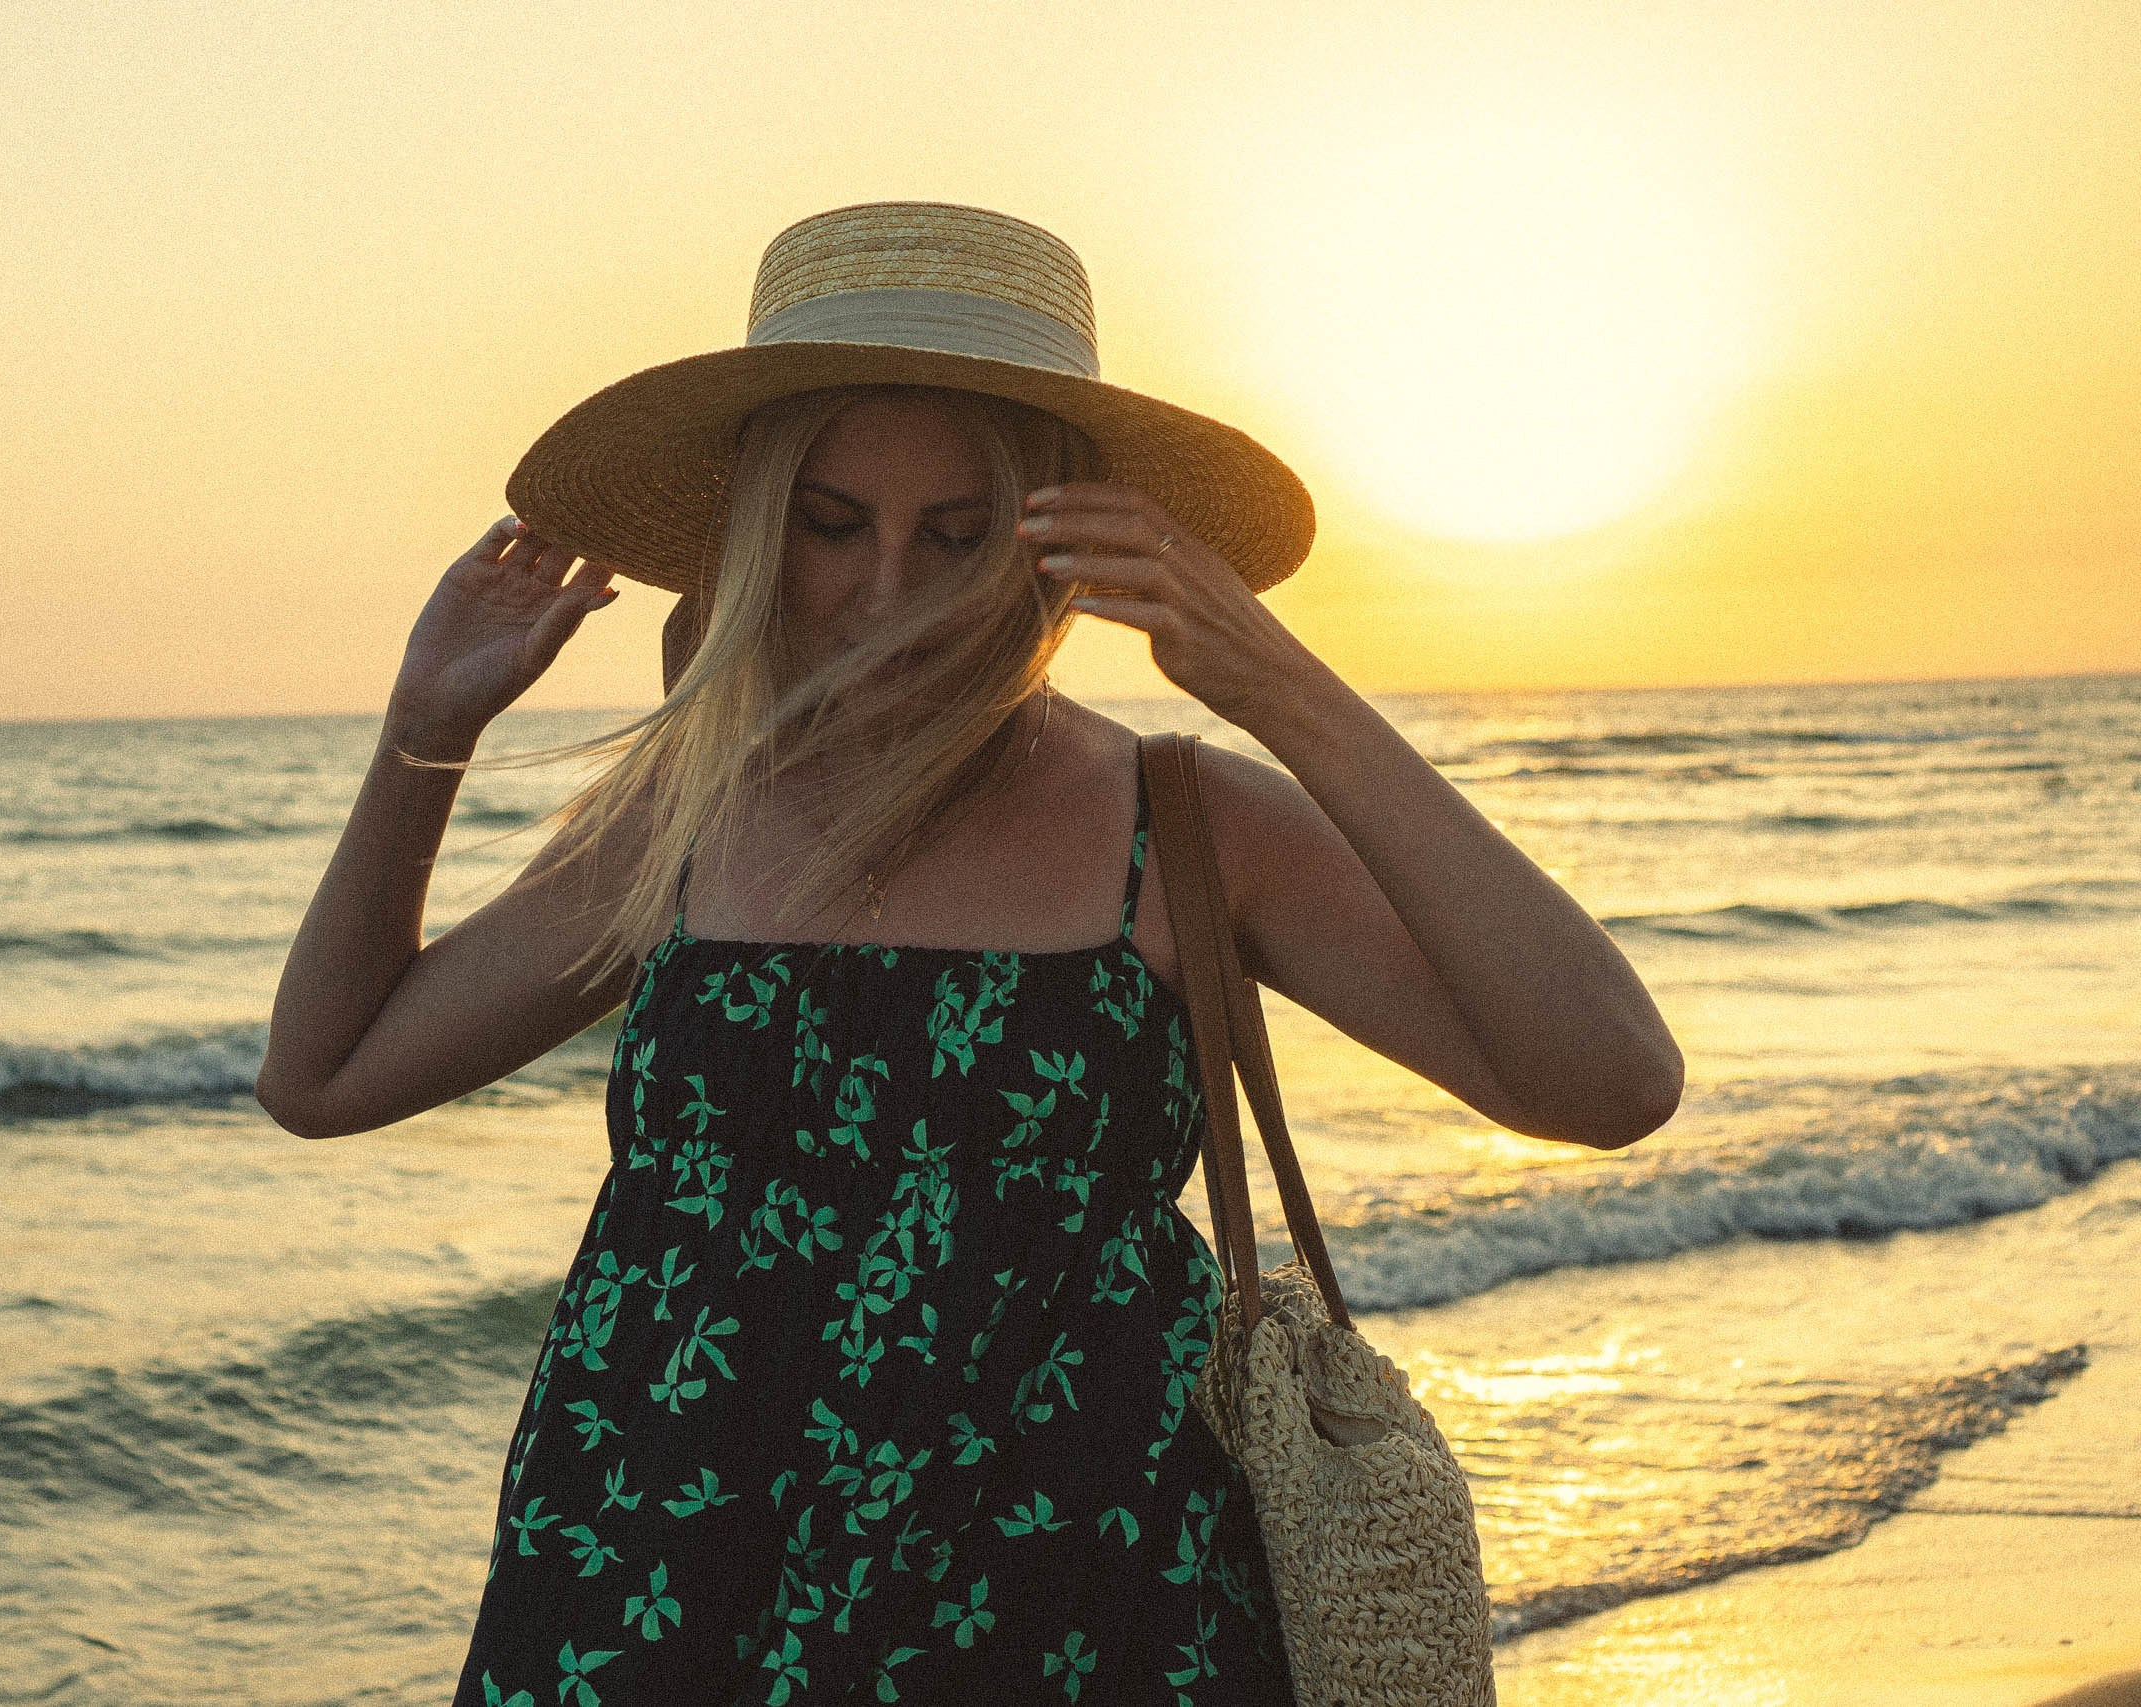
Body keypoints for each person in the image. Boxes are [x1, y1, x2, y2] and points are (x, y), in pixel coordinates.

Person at [255, 202, 1683, 1705]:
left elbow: (1608, 1077)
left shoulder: (1183, 822)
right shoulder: (686, 817)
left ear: (1060, 533)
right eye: (831, 524)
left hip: (1076, 1609)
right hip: (654, 1579)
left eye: (957, 533)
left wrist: (1277, 682)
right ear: (759, 525)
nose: (887, 591)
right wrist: (426, 737)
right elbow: (327, 1074)